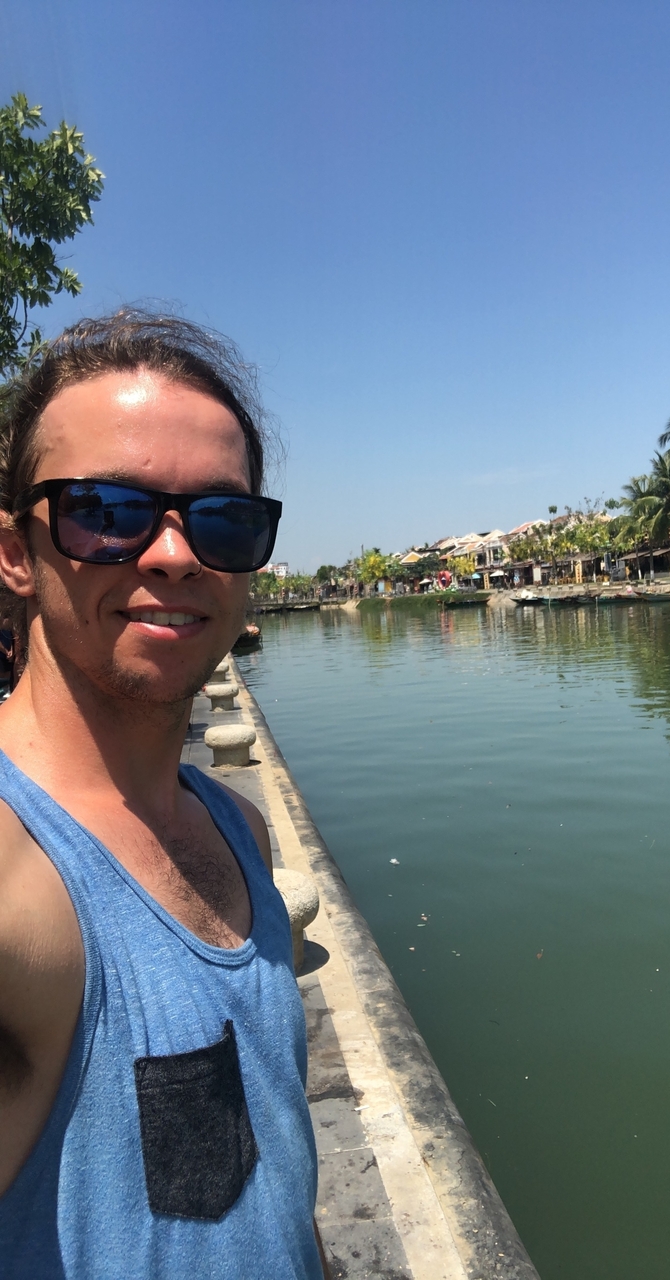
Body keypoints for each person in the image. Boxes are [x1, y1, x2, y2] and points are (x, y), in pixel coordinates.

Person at [0, 311, 324, 1279]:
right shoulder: (19, 880)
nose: (176, 554)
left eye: (221, 519)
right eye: (106, 508)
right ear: (16, 550)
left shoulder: (236, 827)